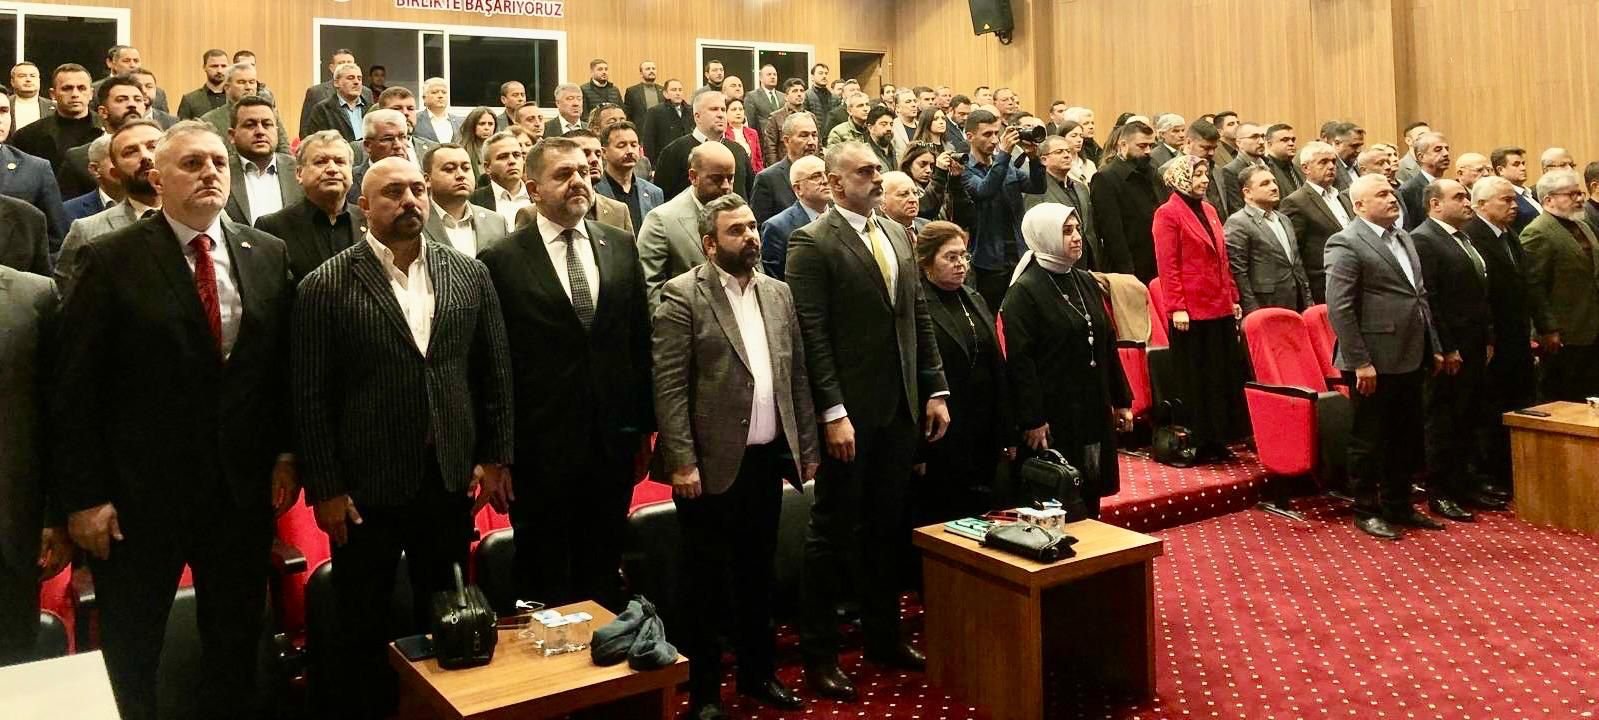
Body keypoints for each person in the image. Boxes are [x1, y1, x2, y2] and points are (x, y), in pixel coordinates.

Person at [50, 121, 297, 720]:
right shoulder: (110, 257)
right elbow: (74, 388)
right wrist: (84, 498)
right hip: (139, 498)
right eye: (191, 163)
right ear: (158, 180)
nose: (210, 172)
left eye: (218, 162)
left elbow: (279, 370)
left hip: (238, 493)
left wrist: (287, 454)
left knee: (236, 646)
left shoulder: (266, 252)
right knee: (134, 652)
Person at [293, 156, 514, 719]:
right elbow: (311, 396)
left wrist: (494, 457)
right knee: (364, 622)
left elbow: (494, 372)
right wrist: (326, 488)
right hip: (364, 488)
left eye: (417, 189)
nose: (410, 200)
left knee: (446, 617)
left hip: (447, 476)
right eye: (393, 192)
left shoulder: (469, 273)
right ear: (364, 206)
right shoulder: (325, 283)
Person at [788, 141, 949, 701]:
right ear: (835, 184)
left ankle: (884, 635)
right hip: (849, 415)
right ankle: (820, 654)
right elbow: (812, 336)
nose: (877, 178)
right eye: (864, 172)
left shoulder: (899, 234)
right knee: (832, 532)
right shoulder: (811, 242)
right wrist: (832, 412)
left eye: (879, 169)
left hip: (899, 407)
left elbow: (917, 317)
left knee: (887, 527)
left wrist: (935, 388)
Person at [653, 194, 817, 720]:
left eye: (751, 227)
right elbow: (669, 386)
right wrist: (681, 460)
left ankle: (758, 674)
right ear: (709, 243)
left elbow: (795, 374)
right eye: (735, 231)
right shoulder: (683, 294)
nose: (749, 237)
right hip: (707, 465)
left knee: (757, 574)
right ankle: (704, 693)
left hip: (766, 459)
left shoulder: (778, 292)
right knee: (706, 583)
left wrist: (805, 446)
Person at [477, 137, 653, 611]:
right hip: (539, 448)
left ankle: (607, 655)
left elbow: (638, 343)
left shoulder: (619, 244)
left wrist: (642, 430)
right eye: (563, 174)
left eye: (582, 171)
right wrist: (496, 454)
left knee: (604, 567)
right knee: (545, 575)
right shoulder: (500, 259)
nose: (578, 181)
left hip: (611, 441)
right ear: (533, 189)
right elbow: (492, 363)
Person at [1330, 170, 1451, 542]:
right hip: (1372, 358)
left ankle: (1399, 504)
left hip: (1411, 351)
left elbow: (1420, 296)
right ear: (1359, 205)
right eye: (1382, 194)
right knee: (1369, 438)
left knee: (1406, 434)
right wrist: (1360, 361)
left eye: (1392, 192)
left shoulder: (1403, 236)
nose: (1392, 198)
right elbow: (1340, 308)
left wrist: (1434, 345)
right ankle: (1366, 510)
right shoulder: (1345, 242)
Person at [1002, 203, 1132, 517]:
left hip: (1091, 405)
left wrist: (1121, 400)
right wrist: (1033, 419)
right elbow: (1021, 363)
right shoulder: (1024, 292)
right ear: (1044, 236)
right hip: (1054, 412)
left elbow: (1106, 342)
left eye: (1077, 229)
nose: (1076, 237)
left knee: (1090, 489)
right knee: (1058, 497)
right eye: (1066, 231)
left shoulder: (1084, 280)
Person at [1409, 178, 1504, 520]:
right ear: (1435, 204)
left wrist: (1488, 337)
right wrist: (1446, 347)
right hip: (1451, 348)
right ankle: (1441, 492)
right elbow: (1430, 300)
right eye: (1459, 197)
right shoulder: (1424, 239)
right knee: (1444, 420)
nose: (1467, 202)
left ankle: (1465, 483)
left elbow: (1480, 292)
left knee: (1470, 415)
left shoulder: (1462, 238)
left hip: (1475, 342)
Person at [914, 221, 1014, 521]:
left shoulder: (974, 297)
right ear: (926, 261)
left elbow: (997, 366)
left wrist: (1006, 429)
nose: (961, 264)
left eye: (964, 256)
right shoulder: (917, 304)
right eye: (951, 257)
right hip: (943, 431)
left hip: (982, 426)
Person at [0, 263, 70, 667]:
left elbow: (59, 418)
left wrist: (55, 515)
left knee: (13, 674)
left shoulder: (34, 296)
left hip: (8, 535)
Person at [1153, 155, 1246, 460]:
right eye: (1197, 175)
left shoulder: (1210, 209)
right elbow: (1168, 265)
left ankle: (1219, 437)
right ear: (1180, 178)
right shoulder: (1167, 213)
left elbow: (1222, 259)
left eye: (1205, 174)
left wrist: (1233, 298)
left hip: (1219, 304)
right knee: (1197, 377)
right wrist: (1176, 307)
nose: (1204, 180)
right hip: (1191, 310)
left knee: (1221, 374)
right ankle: (1200, 438)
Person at [1464, 176, 1546, 498]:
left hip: (1516, 335)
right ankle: (1489, 473)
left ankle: (1513, 470)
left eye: (1514, 199)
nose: (1514, 206)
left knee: (1517, 403)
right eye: (1506, 200)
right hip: (1491, 338)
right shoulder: (1472, 236)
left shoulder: (1509, 235)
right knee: (1490, 408)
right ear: (1481, 204)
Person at [54, 120, 165, 296]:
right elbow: (67, 299)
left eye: (153, 146)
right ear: (115, 172)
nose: (145, 156)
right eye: (130, 152)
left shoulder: (205, 218)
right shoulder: (87, 231)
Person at [1521, 169, 1599, 402]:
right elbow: (1534, 286)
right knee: (1564, 396)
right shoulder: (1537, 232)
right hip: (1564, 331)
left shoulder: (1582, 225)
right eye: (1571, 194)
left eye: (1580, 193)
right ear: (1549, 200)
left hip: (1591, 326)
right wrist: (1547, 328)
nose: (1580, 198)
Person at [254, 131, 366, 281]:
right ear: (299, 173)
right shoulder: (272, 228)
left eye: (340, 162)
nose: (332, 169)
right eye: (320, 162)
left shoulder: (370, 221)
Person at [962, 108, 1045, 309]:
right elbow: (984, 190)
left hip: (1018, 253)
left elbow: (1037, 187)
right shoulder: (964, 169)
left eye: (996, 133)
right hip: (989, 260)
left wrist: (1034, 158)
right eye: (987, 134)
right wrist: (1005, 154)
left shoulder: (1006, 165)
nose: (994, 140)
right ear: (970, 137)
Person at [639, 142, 738, 308]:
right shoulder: (661, 221)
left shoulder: (740, 214)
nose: (726, 186)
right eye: (717, 179)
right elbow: (652, 291)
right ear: (693, 177)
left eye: (730, 178)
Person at [1224, 165, 1309, 313]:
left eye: (1274, 182)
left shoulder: (1284, 219)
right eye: (1265, 184)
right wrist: (1252, 310)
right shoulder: (1238, 222)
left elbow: (1297, 264)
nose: (1274, 187)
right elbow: (1238, 272)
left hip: (1297, 300)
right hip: (1265, 305)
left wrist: (1308, 300)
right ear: (1247, 192)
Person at [1279, 141, 1354, 304]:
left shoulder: (1343, 197)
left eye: (1333, 161)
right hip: (1323, 284)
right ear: (1305, 168)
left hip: (1354, 277)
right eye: (1323, 162)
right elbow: (1295, 252)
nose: (1331, 166)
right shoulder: (1295, 202)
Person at [56, 74, 146, 200]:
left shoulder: (161, 151)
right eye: (121, 100)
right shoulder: (78, 158)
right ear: (103, 112)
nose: (132, 104)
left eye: (138, 99)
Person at [653, 90, 752, 201]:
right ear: (697, 116)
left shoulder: (738, 151)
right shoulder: (674, 152)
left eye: (723, 110)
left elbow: (750, 194)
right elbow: (661, 198)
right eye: (714, 109)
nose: (720, 115)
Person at [1090, 120, 1158, 279]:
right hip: (1129, 266)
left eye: (1151, 146)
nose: (1148, 151)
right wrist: (1128, 272)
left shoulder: (1153, 173)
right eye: (1142, 146)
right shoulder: (1105, 178)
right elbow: (1112, 233)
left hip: (1156, 260)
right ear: (1123, 145)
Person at [532, 128, 633, 234]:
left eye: (598, 154)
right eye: (585, 153)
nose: (594, 160)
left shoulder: (619, 211)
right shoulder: (531, 214)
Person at [1025, 134, 1100, 270]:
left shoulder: (1081, 187)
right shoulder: (1037, 190)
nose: (1067, 155)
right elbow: (1037, 233)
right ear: (1044, 160)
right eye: (1059, 152)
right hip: (1057, 261)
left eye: (1068, 151)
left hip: (1087, 260)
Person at [223, 96, 302, 225]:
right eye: (250, 125)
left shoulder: (300, 171)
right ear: (232, 135)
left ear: (277, 131)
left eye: (267, 124)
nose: (260, 131)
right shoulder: (220, 173)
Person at [421, 143, 509, 256]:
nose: (460, 175)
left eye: (466, 168)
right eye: (449, 169)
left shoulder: (497, 222)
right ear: (427, 180)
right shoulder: (417, 223)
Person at [12, 63, 99, 175]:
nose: (75, 94)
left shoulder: (109, 131)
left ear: (91, 93)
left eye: (81, 88)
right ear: (53, 94)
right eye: (67, 88)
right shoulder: (28, 136)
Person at [760, 154, 829, 279]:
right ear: (798, 188)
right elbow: (777, 281)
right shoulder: (777, 228)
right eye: (816, 176)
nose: (825, 181)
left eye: (827, 174)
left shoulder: (841, 217)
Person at [594, 121, 664, 231]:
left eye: (633, 145)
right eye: (621, 146)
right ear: (604, 152)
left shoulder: (654, 193)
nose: (629, 151)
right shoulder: (594, 191)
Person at [750, 111, 818, 224]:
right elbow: (760, 226)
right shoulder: (768, 179)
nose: (811, 142)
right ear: (786, 141)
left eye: (814, 135)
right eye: (804, 135)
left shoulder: (827, 173)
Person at [346, 109, 420, 205]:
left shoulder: (418, 179)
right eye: (388, 139)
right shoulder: (349, 182)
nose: (398, 145)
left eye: (402, 137)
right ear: (368, 146)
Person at [297, 48, 374, 138]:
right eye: (341, 63)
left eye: (350, 63)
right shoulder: (318, 99)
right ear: (332, 68)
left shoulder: (367, 96)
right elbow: (307, 132)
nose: (356, 82)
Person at [467, 131, 530, 225]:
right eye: (503, 157)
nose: (512, 161)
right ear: (487, 167)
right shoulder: (473, 201)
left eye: (516, 155)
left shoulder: (540, 195)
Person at [303, 63, 368, 150]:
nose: (357, 82)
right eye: (350, 78)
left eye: (359, 78)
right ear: (336, 83)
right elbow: (314, 142)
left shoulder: (370, 108)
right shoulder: (323, 109)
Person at [1398, 132, 1451, 230]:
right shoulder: (1409, 190)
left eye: (1446, 149)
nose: (1446, 154)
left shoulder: (1449, 186)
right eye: (1438, 150)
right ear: (1421, 157)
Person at [63, 135, 120, 223]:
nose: (125, 164)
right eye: (115, 158)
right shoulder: (69, 212)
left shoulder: (144, 202)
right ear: (95, 169)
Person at [1218, 121, 1267, 217]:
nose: (1261, 142)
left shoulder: (1269, 165)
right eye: (1254, 137)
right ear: (1239, 143)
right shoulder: (1231, 171)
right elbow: (1237, 208)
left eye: (1262, 137)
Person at [1490, 146, 1539, 236]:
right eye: (1516, 164)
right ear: (1500, 170)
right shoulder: (1502, 198)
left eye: (1523, 163)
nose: (1523, 168)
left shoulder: (1531, 193)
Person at [760, 78, 809, 164]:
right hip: (785, 165)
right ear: (786, 96)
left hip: (807, 164)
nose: (799, 94)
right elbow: (770, 149)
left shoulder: (810, 117)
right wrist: (776, 168)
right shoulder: (775, 118)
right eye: (795, 91)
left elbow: (818, 145)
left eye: (801, 91)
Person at [644, 79, 692, 163]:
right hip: (665, 160)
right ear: (665, 94)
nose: (678, 93)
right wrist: (652, 164)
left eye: (680, 90)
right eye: (674, 90)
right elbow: (649, 141)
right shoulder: (655, 112)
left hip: (688, 160)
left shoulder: (691, 111)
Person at [175, 49, 230, 120]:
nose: (219, 70)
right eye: (214, 66)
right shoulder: (190, 100)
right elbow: (182, 126)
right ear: (204, 67)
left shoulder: (236, 97)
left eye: (224, 66)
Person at [455, 107, 499, 187]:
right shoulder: (461, 152)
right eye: (482, 124)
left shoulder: (499, 150)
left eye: (490, 124)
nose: (486, 128)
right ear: (472, 125)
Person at [9, 61, 54, 132]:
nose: (28, 79)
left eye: (32, 76)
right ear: (12, 82)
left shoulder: (55, 108)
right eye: (22, 76)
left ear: (39, 80)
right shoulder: (4, 105)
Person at [746, 64, 783, 146]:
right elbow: (751, 123)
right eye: (769, 74)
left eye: (775, 74)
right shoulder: (752, 97)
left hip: (781, 143)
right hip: (763, 142)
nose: (772, 77)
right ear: (761, 78)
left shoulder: (783, 97)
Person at [723, 97, 764, 172]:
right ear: (726, 113)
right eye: (734, 109)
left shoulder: (752, 133)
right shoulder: (723, 133)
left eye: (741, 109)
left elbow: (758, 160)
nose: (738, 112)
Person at [1262, 123, 1303, 196]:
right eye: (1285, 140)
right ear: (1270, 144)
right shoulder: (1265, 170)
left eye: (1293, 140)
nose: (1291, 143)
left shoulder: (1299, 169)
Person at [416, 77, 458, 143]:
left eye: (444, 92)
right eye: (434, 92)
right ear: (424, 98)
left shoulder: (461, 122)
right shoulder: (415, 120)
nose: (440, 96)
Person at [1327, 122, 1364, 190]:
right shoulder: (1328, 168)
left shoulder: (1358, 165)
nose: (1359, 150)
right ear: (1337, 143)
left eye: (1360, 145)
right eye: (1354, 146)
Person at [864, 105, 898, 171]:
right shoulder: (865, 154)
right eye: (883, 124)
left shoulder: (896, 149)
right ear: (870, 128)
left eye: (891, 124)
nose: (889, 128)